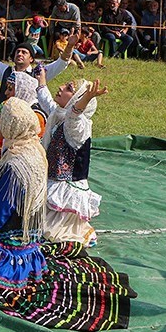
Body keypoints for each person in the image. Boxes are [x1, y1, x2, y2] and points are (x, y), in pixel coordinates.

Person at [0, 97, 136, 330]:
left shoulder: (14, 165)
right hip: (30, 249)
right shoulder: (34, 150)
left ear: (9, 125)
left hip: (5, 256)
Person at [0, 17, 74, 152]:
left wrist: (70, 46)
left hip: (30, 119)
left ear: (31, 59)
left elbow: (61, 63)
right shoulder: (6, 71)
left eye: (24, 52)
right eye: (18, 52)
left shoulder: (39, 73)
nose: (20, 54)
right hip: (8, 117)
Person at [36, 68, 106, 247]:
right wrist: (42, 81)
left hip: (66, 189)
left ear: (76, 99)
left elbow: (74, 114)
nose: (60, 87)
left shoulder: (78, 127)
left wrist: (86, 98)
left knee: (50, 233)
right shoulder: (59, 114)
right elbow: (47, 102)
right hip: (53, 182)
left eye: (68, 87)